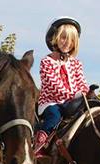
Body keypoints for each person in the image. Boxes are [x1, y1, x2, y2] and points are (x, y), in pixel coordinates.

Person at [34, 17, 90, 155]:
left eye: (71, 40)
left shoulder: (76, 63)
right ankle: (39, 145)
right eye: (63, 38)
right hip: (52, 102)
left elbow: (81, 81)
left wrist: (85, 92)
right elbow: (53, 85)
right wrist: (72, 95)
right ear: (54, 38)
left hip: (72, 102)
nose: (67, 43)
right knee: (54, 117)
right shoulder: (46, 61)